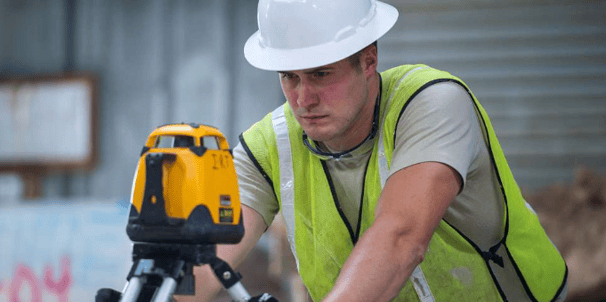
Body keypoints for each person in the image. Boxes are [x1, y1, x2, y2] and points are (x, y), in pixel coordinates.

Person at [176, 0, 568, 301]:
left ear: (368, 61)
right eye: (289, 77)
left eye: (321, 73)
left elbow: (401, 237)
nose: (303, 98)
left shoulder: (433, 103)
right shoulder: (269, 145)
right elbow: (206, 259)